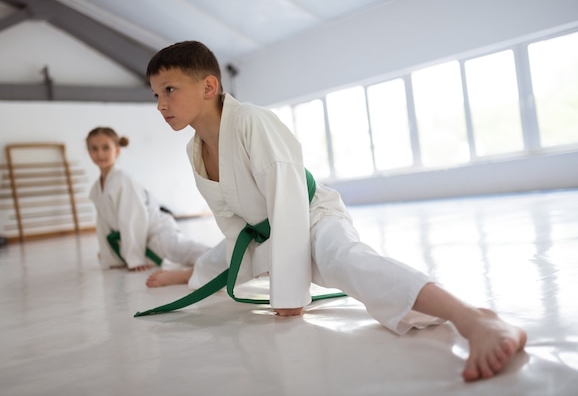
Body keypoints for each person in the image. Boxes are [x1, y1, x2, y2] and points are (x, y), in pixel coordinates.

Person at [144, 41, 527, 382]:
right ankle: (191, 271)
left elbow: (288, 200)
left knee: (346, 261)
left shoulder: (251, 122)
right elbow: (232, 223)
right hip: (267, 230)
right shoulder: (195, 149)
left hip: (311, 216)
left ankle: (474, 318)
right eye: (157, 94)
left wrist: (290, 291)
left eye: (169, 90)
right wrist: (251, 256)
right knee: (226, 253)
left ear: (209, 86)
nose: (161, 105)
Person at [86, 126, 217, 282]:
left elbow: (132, 220)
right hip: (144, 239)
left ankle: (223, 259)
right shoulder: (96, 188)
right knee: (178, 259)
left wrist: (134, 258)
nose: (99, 153)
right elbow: (103, 226)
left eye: (105, 148)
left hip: (157, 230)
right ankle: (215, 261)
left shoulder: (123, 180)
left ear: (117, 150)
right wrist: (110, 256)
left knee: (180, 250)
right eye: (94, 149)